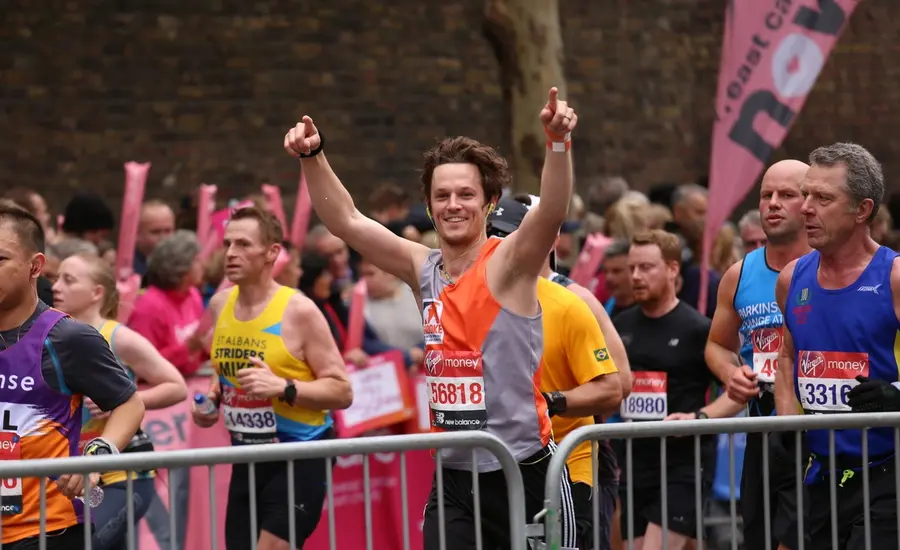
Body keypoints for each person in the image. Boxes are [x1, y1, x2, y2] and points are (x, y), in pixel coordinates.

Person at [284, 87, 579, 548]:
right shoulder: (422, 268)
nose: (453, 205)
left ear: (489, 202)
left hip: (522, 470)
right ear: (428, 206)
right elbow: (347, 221)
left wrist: (557, 143)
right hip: (454, 475)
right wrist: (313, 156)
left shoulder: (510, 262)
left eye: (466, 194)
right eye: (442, 195)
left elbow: (552, 212)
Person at [191, 206, 352, 550]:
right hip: (247, 457)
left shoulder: (299, 310)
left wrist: (284, 387)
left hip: (301, 455)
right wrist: (213, 399)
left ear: (271, 252)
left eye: (243, 244)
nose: (231, 253)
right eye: (228, 243)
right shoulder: (219, 305)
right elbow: (224, 373)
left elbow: (342, 390)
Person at [0, 203, 145, 548]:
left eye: (0, 259)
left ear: (35, 266)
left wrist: (97, 456)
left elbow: (129, 404)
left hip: (47, 530)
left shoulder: (66, 338)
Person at [777, 143, 899, 549]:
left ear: (862, 210)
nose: (805, 208)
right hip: (821, 475)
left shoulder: (894, 277)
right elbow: (787, 356)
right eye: (805, 194)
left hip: (888, 473)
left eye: (823, 198)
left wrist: (896, 395)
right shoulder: (792, 278)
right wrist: (786, 421)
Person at [488, 195, 627, 550]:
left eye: (508, 235)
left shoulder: (572, 300)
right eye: (492, 235)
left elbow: (619, 383)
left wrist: (551, 402)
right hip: (503, 463)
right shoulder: (475, 300)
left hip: (569, 458)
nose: (499, 245)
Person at [705, 159, 811, 550]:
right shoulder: (739, 274)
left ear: (810, 202)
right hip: (763, 427)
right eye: (766, 195)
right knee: (759, 536)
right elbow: (717, 344)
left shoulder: (831, 268)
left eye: (787, 195)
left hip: (821, 430)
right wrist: (730, 373)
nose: (773, 203)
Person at [613, 230, 741, 550]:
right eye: (632, 268)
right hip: (635, 463)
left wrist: (698, 418)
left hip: (683, 464)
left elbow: (738, 391)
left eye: (646, 267)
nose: (635, 276)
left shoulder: (697, 329)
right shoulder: (620, 326)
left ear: (672, 269)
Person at [52, 252, 188, 550]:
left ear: (96, 292)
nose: (56, 287)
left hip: (123, 473)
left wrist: (120, 402)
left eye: (68, 280)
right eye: (56, 278)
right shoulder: (53, 338)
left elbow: (176, 386)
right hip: (78, 473)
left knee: (85, 544)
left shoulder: (117, 337)